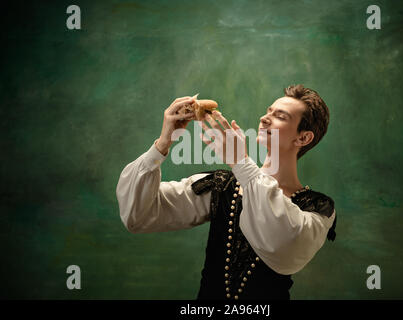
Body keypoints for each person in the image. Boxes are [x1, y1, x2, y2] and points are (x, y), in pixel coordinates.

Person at [116, 84, 337, 300]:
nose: (264, 118)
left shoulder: (317, 208)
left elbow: (285, 244)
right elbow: (139, 215)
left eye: (280, 116)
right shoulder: (223, 185)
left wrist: (241, 162)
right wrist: (162, 144)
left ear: (303, 138)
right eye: (268, 111)